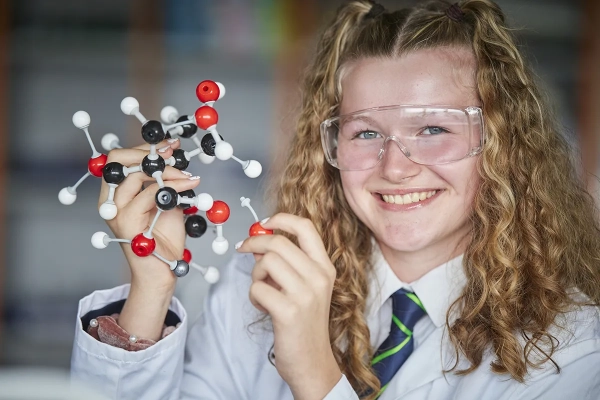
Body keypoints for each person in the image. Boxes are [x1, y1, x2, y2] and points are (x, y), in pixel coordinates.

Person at [70, 1, 600, 399]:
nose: (395, 167)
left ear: (501, 142)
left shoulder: (575, 350)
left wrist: (316, 376)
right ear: (331, 146)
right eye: (365, 133)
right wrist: (151, 288)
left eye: (434, 127)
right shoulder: (262, 284)